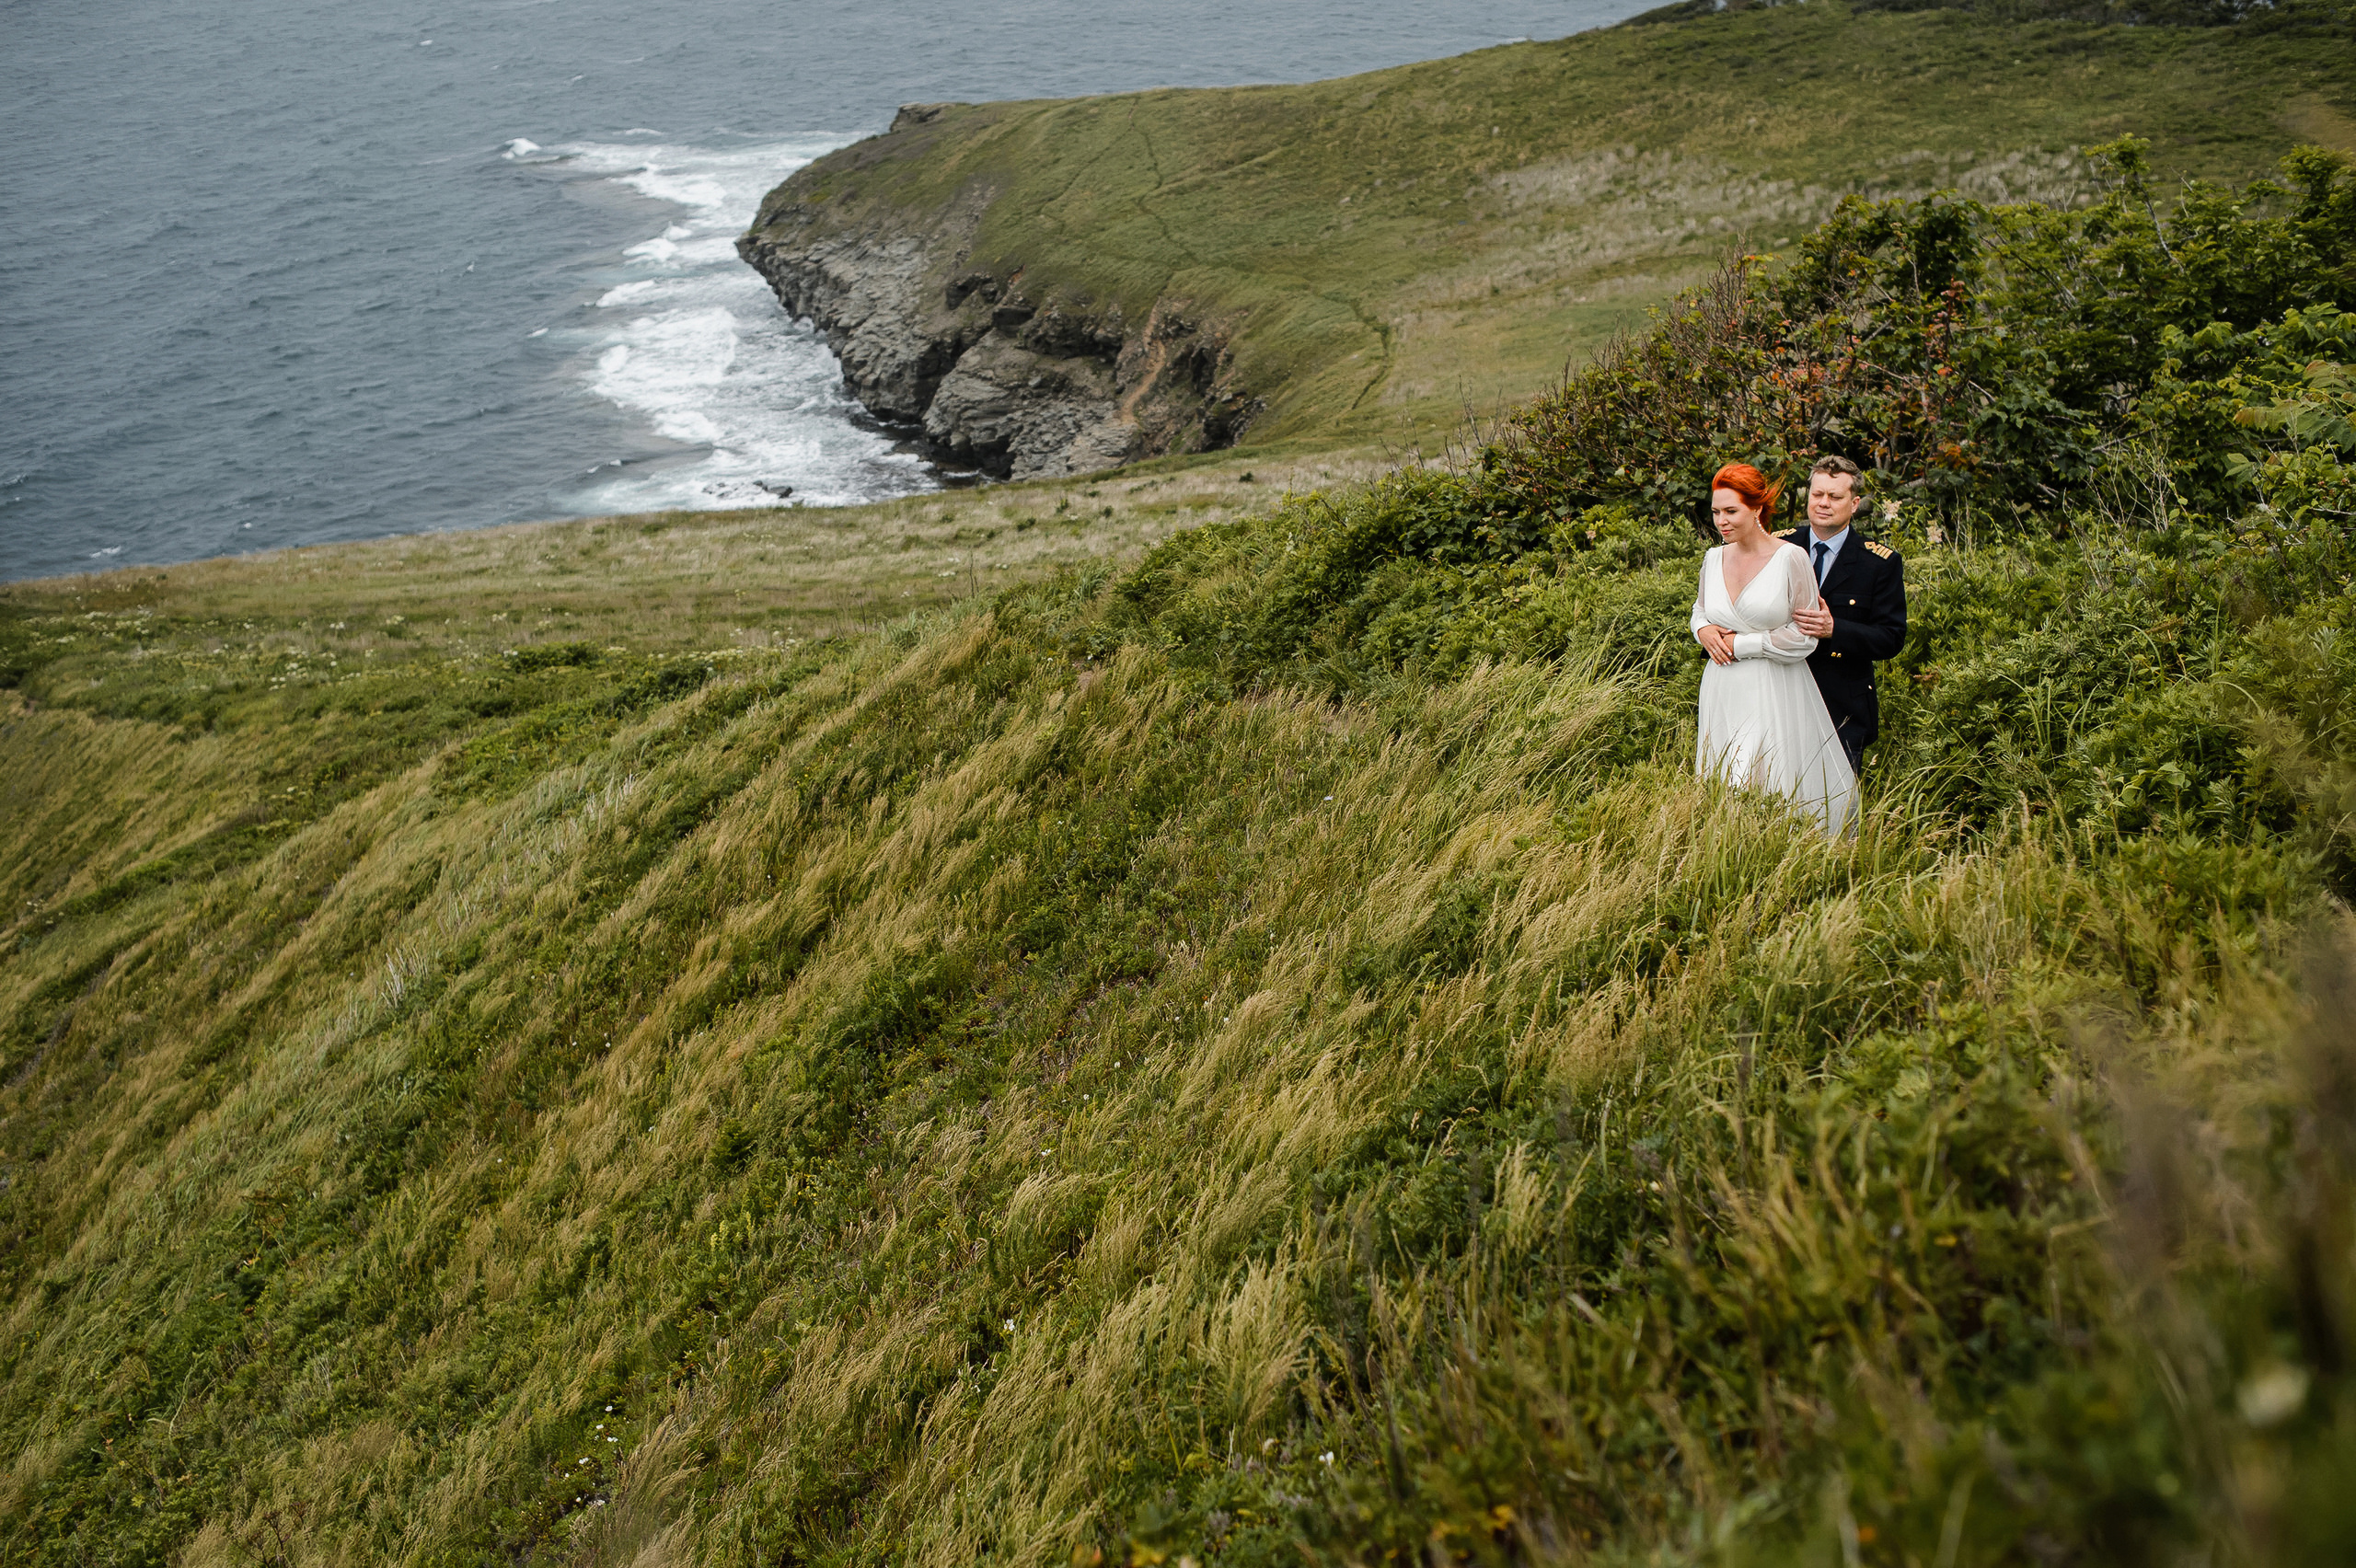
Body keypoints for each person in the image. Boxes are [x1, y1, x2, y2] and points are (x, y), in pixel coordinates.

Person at [1690, 462, 1855, 834]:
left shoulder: (1790, 558)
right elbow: (1700, 610)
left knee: (1769, 780)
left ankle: (1783, 856)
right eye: (1716, 512)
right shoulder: (1713, 558)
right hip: (1721, 687)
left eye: (1731, 511)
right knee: (1726, 783)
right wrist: (1702, 630)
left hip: (1772, 687)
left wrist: (1741, 644)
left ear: (1757, 509)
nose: (1721, 521)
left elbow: (1804, 636)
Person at [1781, 455, 1907, 777]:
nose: (1823, 503)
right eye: (1817, 494)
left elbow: (1891, 638)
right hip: (1780, 694)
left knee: (1836, 809)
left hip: (1841, 705)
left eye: (1835, 497)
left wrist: (1835, 629)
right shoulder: (1777, 546)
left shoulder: (1878, 562)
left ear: (1854, 504)